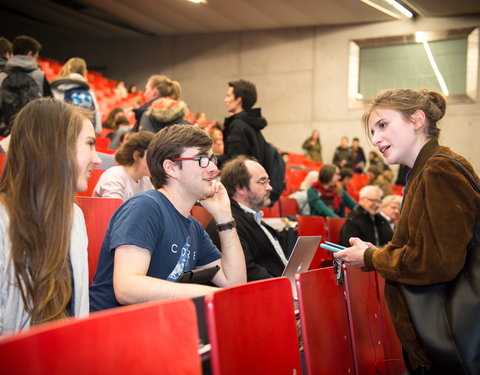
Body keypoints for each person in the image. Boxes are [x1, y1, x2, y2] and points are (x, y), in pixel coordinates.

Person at [333, 88, 480, 374]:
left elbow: (435, 262)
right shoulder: (425, 170)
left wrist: (373, 258)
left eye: (383, 125)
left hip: (451, 344)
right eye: (372, 131)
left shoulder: (438, 169)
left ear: (417, 119)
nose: (375, 140)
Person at [89, 124, 246, 311]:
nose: (213, 168)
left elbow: (234, 283)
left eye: (212, 159)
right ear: (171, 168)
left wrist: (224, 217)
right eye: (202, 158)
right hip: (112, 331)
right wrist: (207, 294)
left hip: (156, 329)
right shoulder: (145, 207)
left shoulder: (194, 227)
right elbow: (126, 288)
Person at [0, 97, 101, 335]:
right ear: (57, 148)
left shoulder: (74, 216)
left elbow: (78, 315)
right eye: (89, 144)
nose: (97, 159)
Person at [206, 156, 288, 281]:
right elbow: (249, 274)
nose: (269, 187)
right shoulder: (228, 224)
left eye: (268, 181)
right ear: (240, 188)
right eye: (262, 181)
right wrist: (287, 287)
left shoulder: (254, 219)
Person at [0, 35, 52, 136]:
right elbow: (50, 108)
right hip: (33, 135)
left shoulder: (2, 76)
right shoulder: (40, 76)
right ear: (30, 54)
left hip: (5, 136)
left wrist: (6, 132)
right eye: (36, 57)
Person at [219, 79, 267, 166]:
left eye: (228, 96)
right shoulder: (251, 122)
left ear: (238, 100)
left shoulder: (238, 125)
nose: (225, 100)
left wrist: (209, 159)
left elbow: (233, 161)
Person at [93, 131, 154, 200]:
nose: (156, 161)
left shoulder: (145, 179)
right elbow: (112, 209)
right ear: (136, 155)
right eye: (152, 156)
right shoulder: (114, 176)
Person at [50, 57, 102, 134]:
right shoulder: (90, 94)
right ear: (84, 72)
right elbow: (97, 128)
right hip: (83, 137)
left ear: (68, 68)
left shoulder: (58, 88)